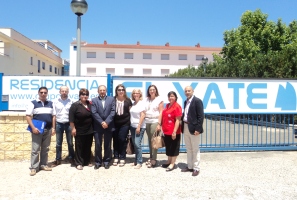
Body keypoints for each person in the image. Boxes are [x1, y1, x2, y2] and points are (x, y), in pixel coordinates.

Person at [26, 86, 55, 176]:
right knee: (35, 149)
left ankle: (43, 164)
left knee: (45, 149)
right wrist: (33, 128)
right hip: (37, 130)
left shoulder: (50, 103)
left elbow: (54, 116)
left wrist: (53, 128)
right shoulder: (33, 103)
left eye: (45, 92)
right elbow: (28, 116)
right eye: (41, 92)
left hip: (48, 129)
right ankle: (34, 168)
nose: (43, 94)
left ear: (47, 93)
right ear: (38, 93)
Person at [181, 86, 204, 176]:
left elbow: (201, 116)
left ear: (193, 91)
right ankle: (190, 166)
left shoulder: (197, 101)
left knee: (195, 148)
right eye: (186, 91)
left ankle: (196, 168)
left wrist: (198, 129)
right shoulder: (185, 101)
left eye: (189, 91)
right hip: (186, 126)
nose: (187, 92)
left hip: (194, 128)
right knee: (189, 148)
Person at [157, 91, 182, 172]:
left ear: (175, 97)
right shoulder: (167, 106)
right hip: (166, 131)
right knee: (168, 146)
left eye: (172, 96)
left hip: (174, 132)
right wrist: (160, 125)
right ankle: (169, 160)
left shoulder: (177, 107)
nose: (171, 98)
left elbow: (178, 120)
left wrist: (174, 131)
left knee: (174, 147)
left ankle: (172, 163)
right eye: (169, 96)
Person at [91, 85, 115, 170]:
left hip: (108, 126)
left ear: (106, 91)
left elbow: (113, 111)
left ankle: (106, 161)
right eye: (100, 90)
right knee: (98, 145)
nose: (102, 92)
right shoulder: (94, 100)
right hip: (98, 126)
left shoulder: (111, 99)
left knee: (107, 145)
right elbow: (94, 113)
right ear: (98, 91)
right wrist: (102, 122)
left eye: (103, 90)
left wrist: (107, 122)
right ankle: (98, 162)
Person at [69, 88, 93, 170]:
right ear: (79, 95)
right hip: (79, 129)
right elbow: (71, 119)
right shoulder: (75, 105)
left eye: (86, 94)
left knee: (88, 145)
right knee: (79, 146)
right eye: (83, 94)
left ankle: (87, 161)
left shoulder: (90, 104)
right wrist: (73, 128)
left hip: (89, 129)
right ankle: (78, 163)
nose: (84, 96)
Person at [52, 86, 74, 167]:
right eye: (62, 91)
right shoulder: (55, 102)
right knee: (58, 143)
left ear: (68, 92)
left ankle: (71, 158)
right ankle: (58, 159)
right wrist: (53, 128)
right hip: (59, 124)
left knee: (70, 143)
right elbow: (54, 115)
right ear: (60, 92)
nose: (64, 93)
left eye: (66, 91)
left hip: (69, 124)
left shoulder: (71, 101)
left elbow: (73, 115)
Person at [112, 84, 132, 167]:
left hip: (125, 123)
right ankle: (116, 157)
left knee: (122, 139)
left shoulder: (128, 100)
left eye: (122, 90)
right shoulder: (113, 100)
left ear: (124, 91)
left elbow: (131, 112)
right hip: (114, 123)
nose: (121, 91)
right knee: (115, 140)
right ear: (116, 91)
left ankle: (122, 157)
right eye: (119, 90)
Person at [144, 85, 163, 168]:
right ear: (148, 91)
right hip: (147, 121)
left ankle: (154, 159)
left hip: (155, 121)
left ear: (156, 91)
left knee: (154, 140)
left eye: (153, 89)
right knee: (149, 140)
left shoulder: (159, 99)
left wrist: (159, 124)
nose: (152, 91)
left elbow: (161, 112)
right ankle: (151, 156)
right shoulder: (146, 99)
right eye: (150, 90)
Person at [129, 89, 146, 169]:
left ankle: (139, 162)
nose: (136, 94)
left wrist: (139, 126)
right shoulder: (133, 104)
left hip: (139, 127)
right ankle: (136, 160)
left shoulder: (141, 104)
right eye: (134, 93)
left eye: (137, 93)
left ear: (140, 94)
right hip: (132, 126)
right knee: (135, 144)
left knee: (137, 143)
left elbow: (143, 115)